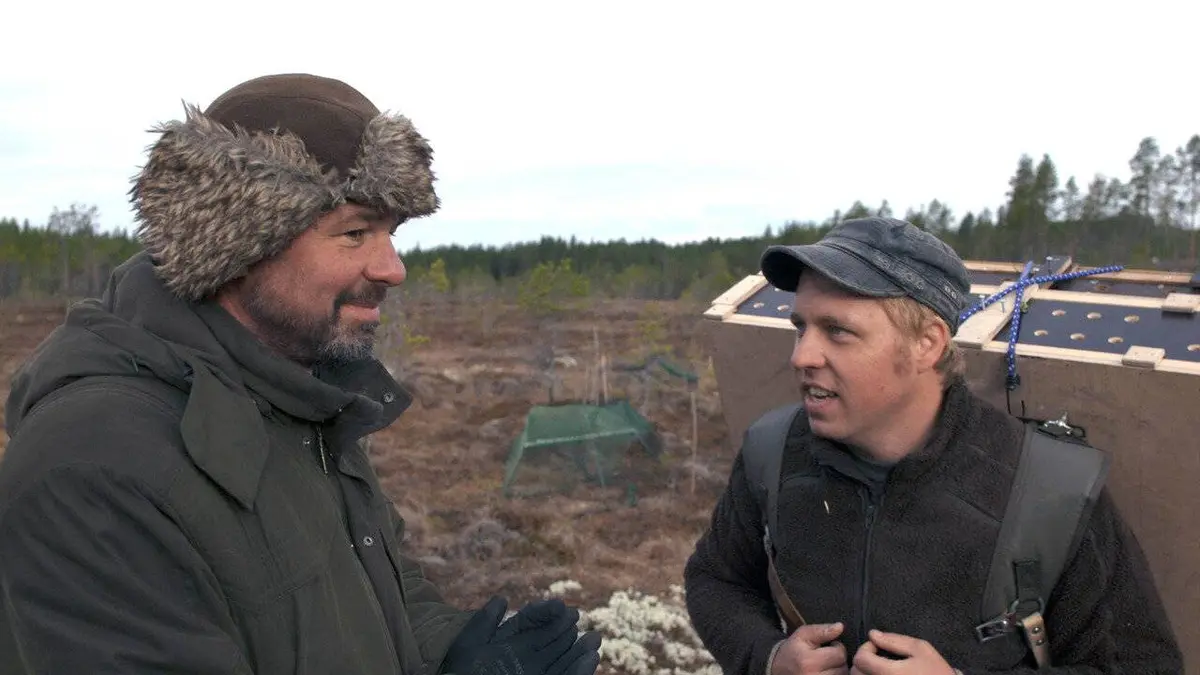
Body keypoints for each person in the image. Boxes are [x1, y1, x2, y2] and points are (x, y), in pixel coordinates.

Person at [0, 73, 603, 675]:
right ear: (238, 240)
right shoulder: (93, 469)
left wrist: (458, 653)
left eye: (391, 233)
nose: (393, 268)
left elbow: (369, 598)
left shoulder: (296, 397)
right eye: (355, 232)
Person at [682, 217, 1182, 674]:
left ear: (928, 344)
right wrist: (769, 659)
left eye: (837, 331)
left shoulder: (1049, 490)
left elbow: (1147, 665)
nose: (802, 355)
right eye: (801, 327)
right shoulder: (772, 452)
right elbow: (715, 579)